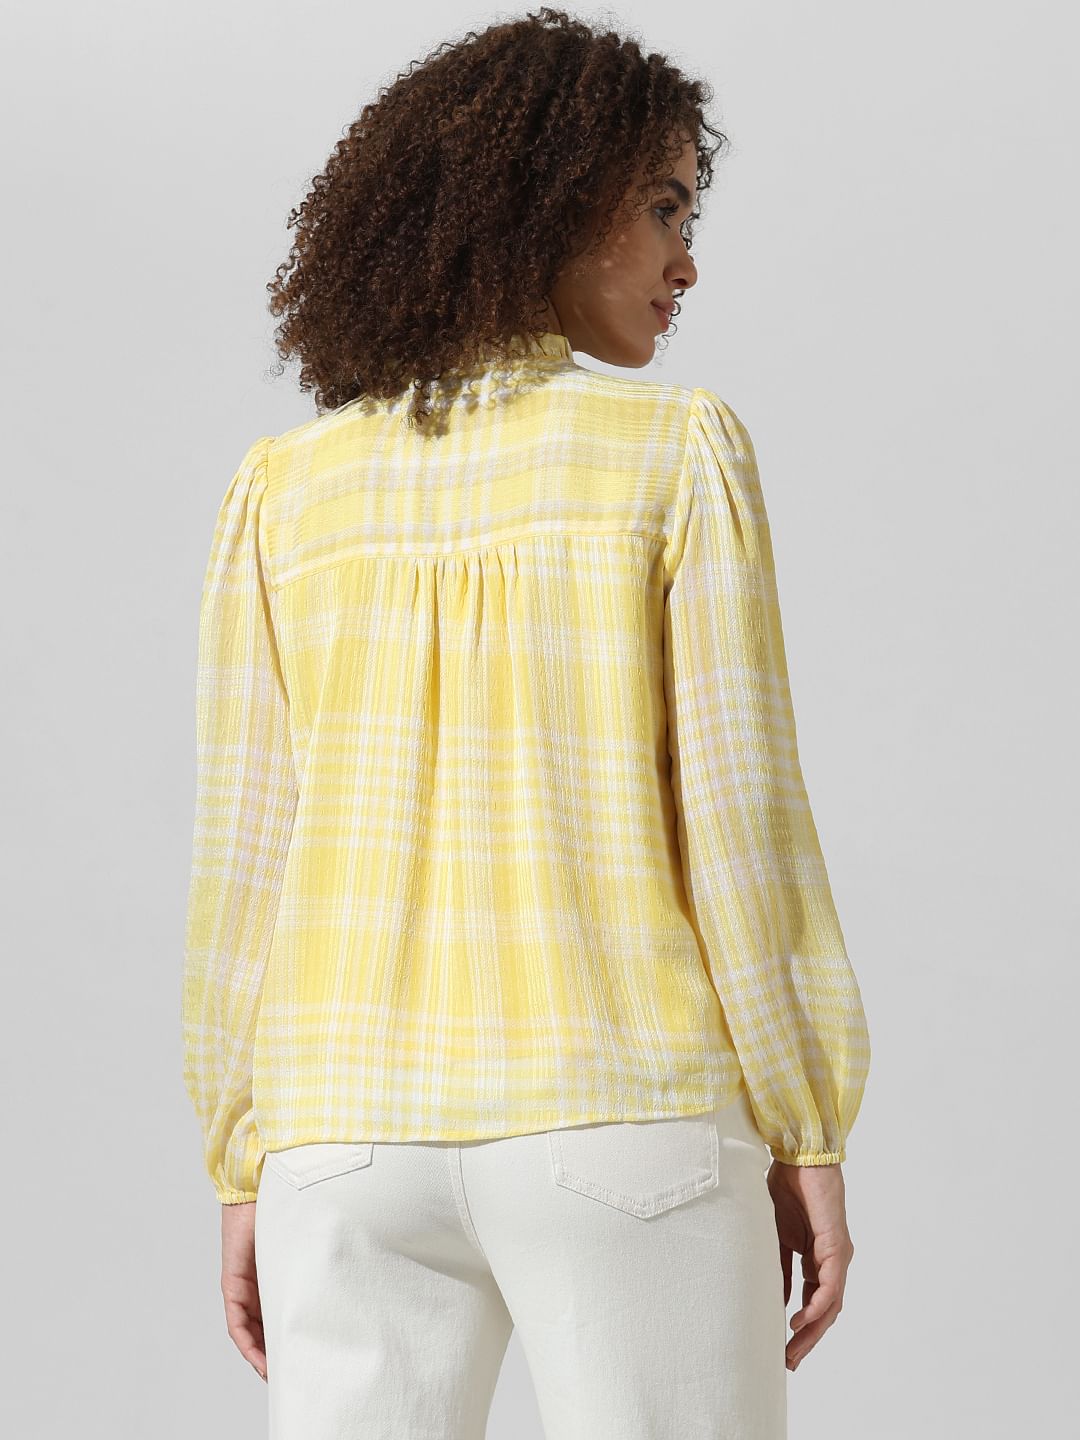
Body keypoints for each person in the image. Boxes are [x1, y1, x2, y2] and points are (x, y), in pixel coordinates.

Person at [181, 9, 871, 1437]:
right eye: (666, 207)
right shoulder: (673, 450)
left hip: (339, 1139)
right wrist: (805, 1124)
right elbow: (738, 822)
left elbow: (246, 856)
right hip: (618, 1109)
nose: (689, 260)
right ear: (553, 197)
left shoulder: (285, 487)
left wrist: (246, 1154)